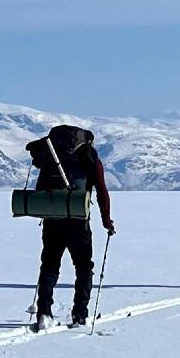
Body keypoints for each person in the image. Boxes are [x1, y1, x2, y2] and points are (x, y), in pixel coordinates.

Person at [27, 125, 115, 331]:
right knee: (84, 266)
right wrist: (106, 220)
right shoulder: (88, 154)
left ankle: (44, 313)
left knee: (49, 265)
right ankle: (80, 314)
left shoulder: (51, 152)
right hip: (78, 219)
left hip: (53, 216)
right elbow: (102, 190)